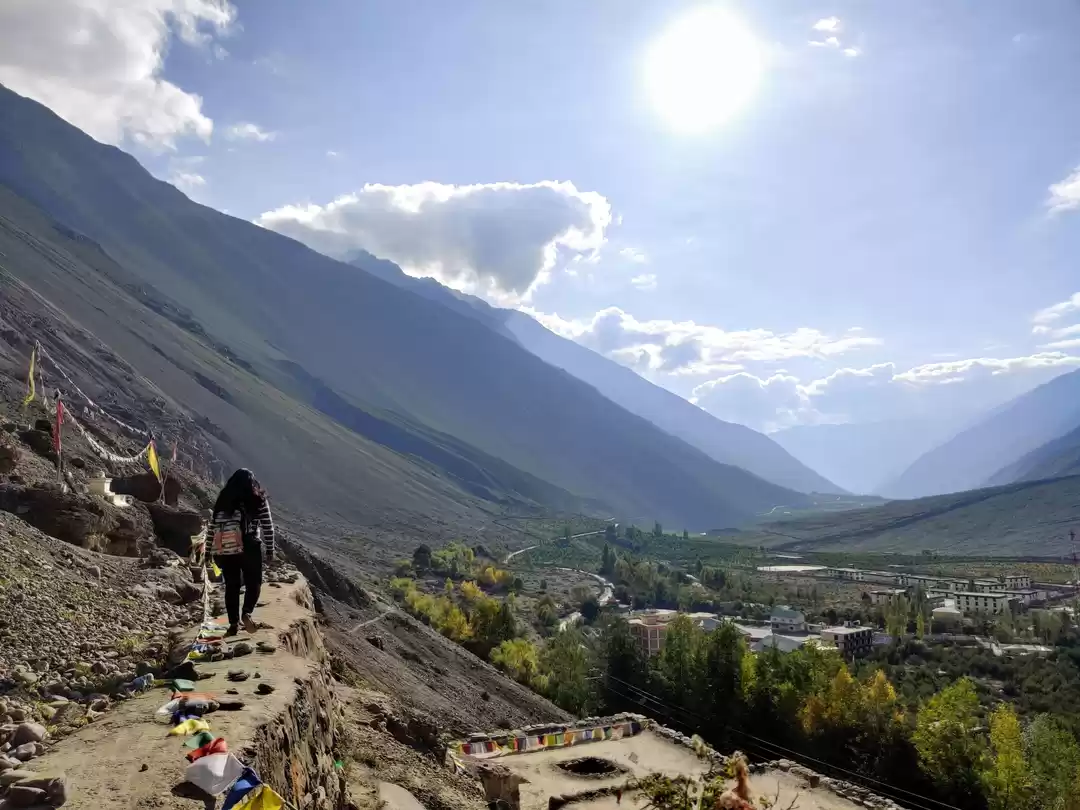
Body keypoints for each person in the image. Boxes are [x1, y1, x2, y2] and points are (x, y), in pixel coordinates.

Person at [210, 468, 275, 636]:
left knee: (231, 585)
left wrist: (210, 550)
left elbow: (213, 527)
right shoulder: (257, 500)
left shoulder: (223, 500)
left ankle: (233, 624)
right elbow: (268, 526)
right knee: (254, 582)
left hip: (226, 547)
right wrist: (270, 549)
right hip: (250, 545)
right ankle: (246, 612)